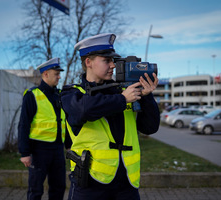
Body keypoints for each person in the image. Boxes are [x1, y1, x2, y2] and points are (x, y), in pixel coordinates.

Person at [61, 33, 160, 200]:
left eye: (113, 60)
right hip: (90, 184)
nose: (113, 65)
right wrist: (122, 99)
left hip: (126, 184)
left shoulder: (123, 92)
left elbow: (150, 127)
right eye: (107, 60)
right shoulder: (72, 93)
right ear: (88, 62)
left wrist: (146, 96)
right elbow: (85, 110)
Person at [18, 57, 69, 200]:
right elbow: (23, 124)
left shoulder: (59, 95)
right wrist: (25, 153)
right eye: (56, 74)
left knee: (58, 188)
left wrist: (69, 146)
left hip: (58, 150)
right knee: (35, 190)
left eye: (59, 74)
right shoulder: (32, 95)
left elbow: (64, 122)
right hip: (39, 151)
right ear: (45, 74)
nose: (59, 77)